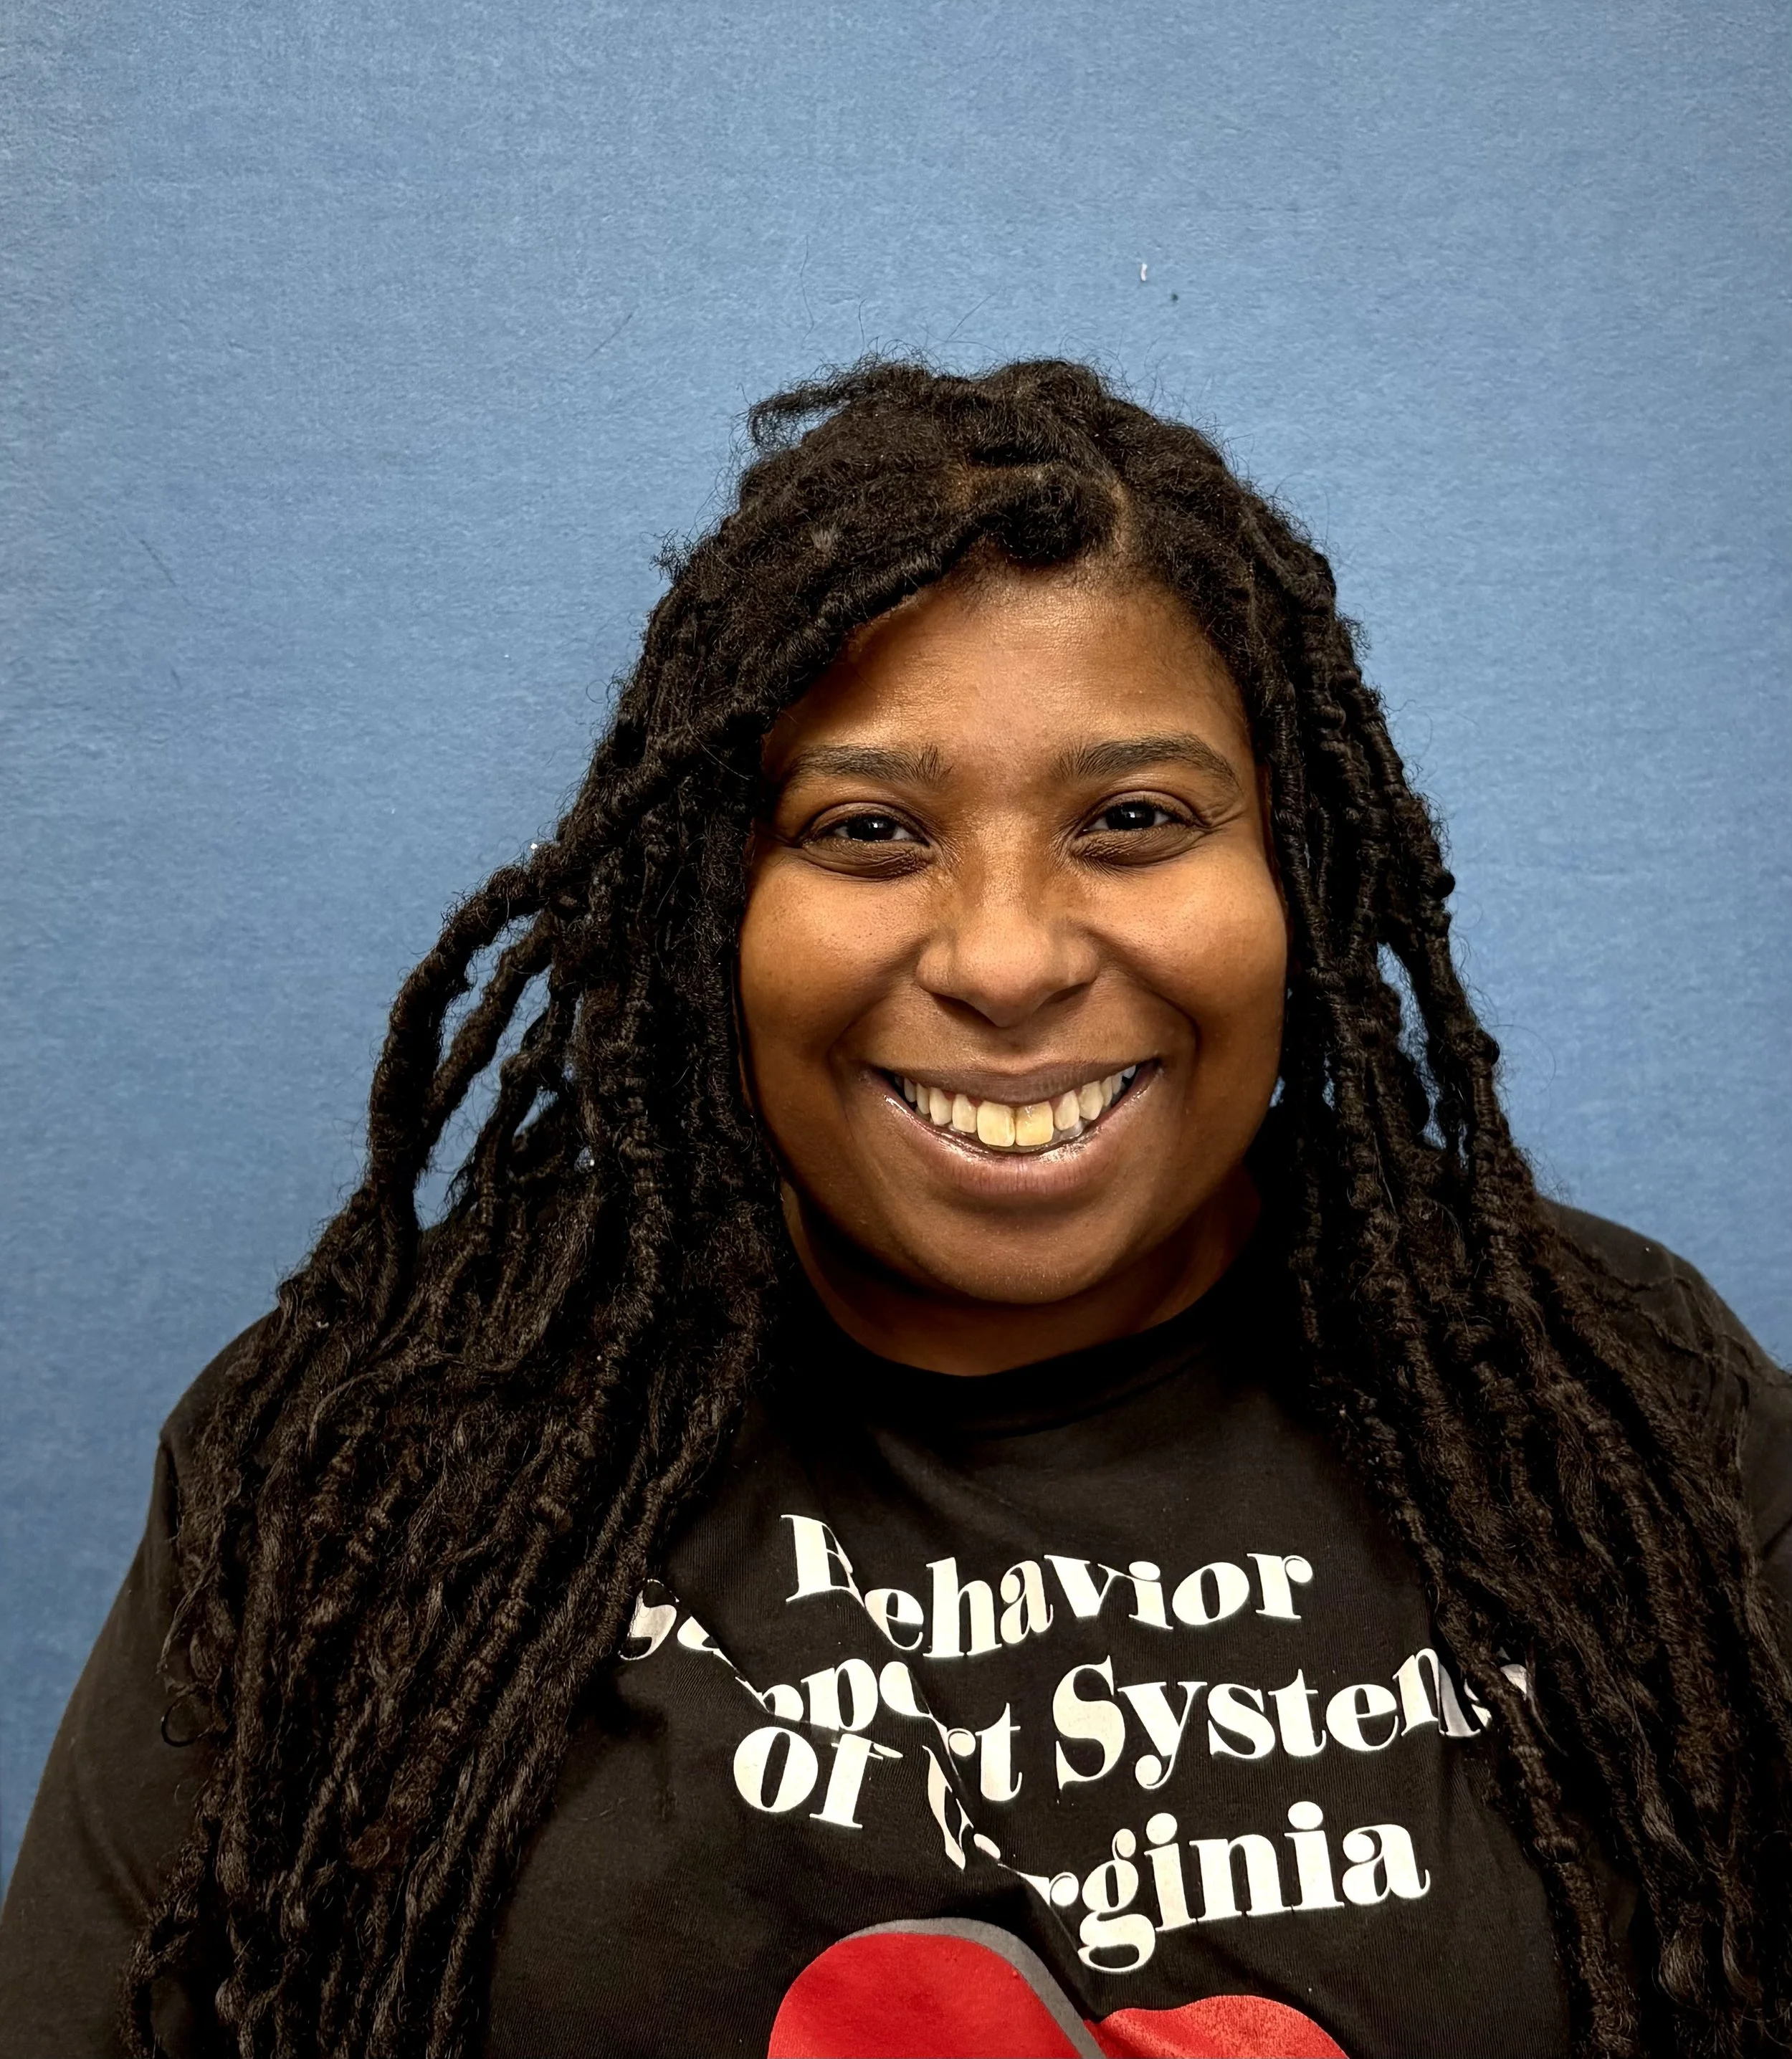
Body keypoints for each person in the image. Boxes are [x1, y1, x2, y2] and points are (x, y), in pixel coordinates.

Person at [1, 358, 1787, 2059]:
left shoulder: (1621, 1416)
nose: (1005, 960)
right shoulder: (380, 1454)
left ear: (1300, 877)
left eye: (1136, 819)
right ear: (713, 904)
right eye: (866, 831)